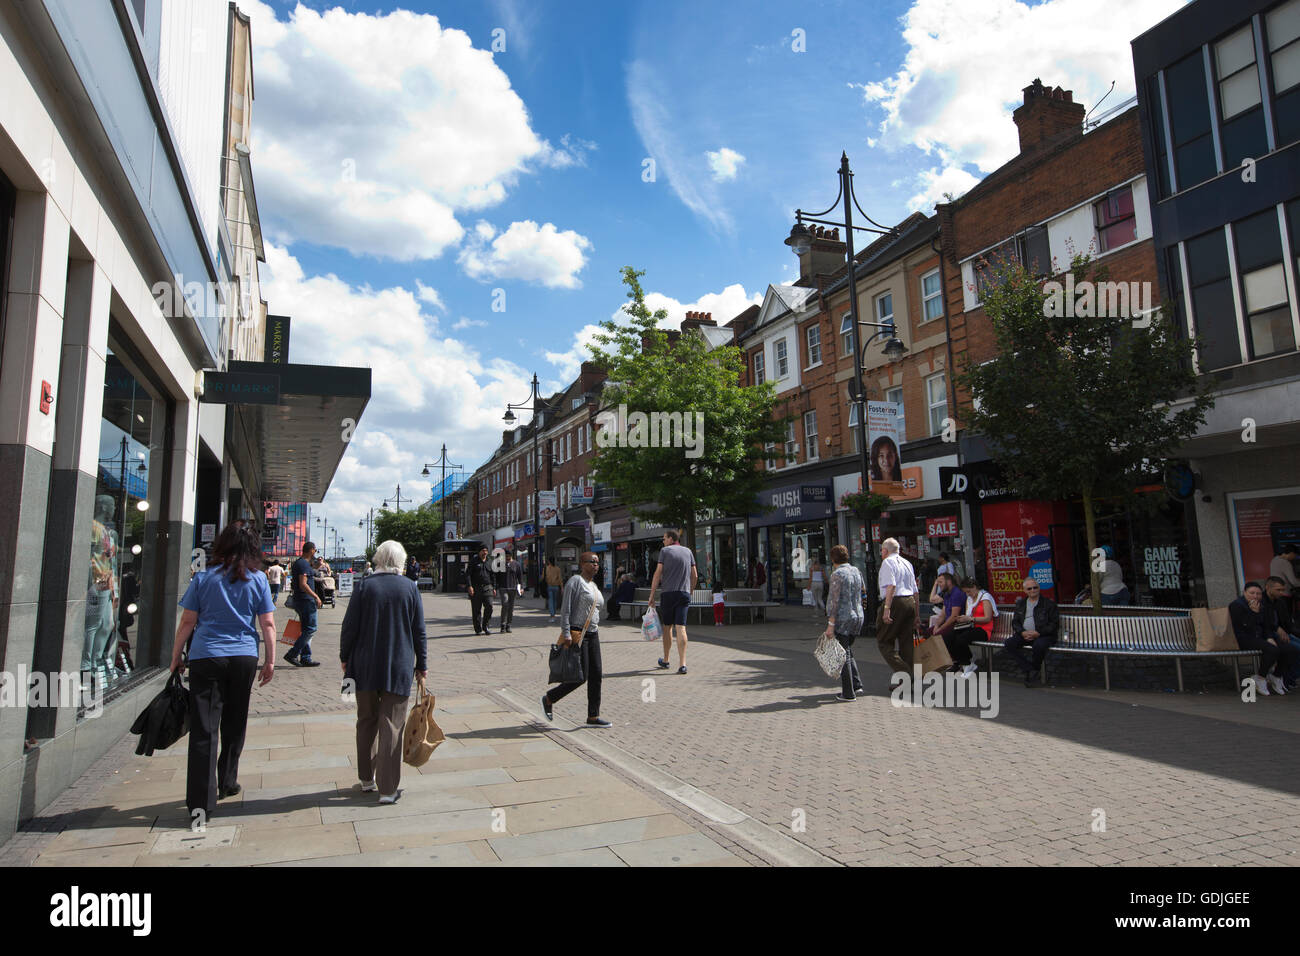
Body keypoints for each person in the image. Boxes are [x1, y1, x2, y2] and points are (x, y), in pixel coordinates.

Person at [169, 522, 275, 820]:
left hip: (206, 657)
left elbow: (187, 622)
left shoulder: (203, 578)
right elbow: (267, 623)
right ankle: (227, 780)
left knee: (204, 726)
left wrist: (176, 656)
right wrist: (269, 660)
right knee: (235, 719)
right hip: (243, 656)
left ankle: (201, 801)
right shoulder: (258, 579)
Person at [340, 539, 427, 805]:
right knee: (391, 724)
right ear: (401, 561)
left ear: (378, 558)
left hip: (363, 665)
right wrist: (422, 665)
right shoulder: (410, 588)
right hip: (398, 665)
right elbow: (418, 631)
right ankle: (387, 789)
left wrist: (345, 658)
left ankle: (366, 779)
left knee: (365, 720)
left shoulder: (364, 586)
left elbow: (349, 626)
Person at [541, 552, 611, 728]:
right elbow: (566, 609)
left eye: (597, 562)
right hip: (577, 634)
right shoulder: (575, 582)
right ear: (582, 564)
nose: (596, 565)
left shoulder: (594, 586)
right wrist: (566, 633)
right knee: (580, 676)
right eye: (592, 562)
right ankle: (550, 698)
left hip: (593, 634)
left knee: (596, 675)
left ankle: (593, 717)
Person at [1230, 581, 1300, 696]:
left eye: (1258, 594)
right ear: (1244, 593)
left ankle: (1276, 676)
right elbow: (1246, 626)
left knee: (1290, 649)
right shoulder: (1237, 605)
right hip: (1245, 638)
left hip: (1261, 636)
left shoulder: (1261, 604)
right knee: (1273, 650)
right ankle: (1261, 677)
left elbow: (1266, 624)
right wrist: (1253, 613)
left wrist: (1269, 637)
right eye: (1252, 593)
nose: (1255, 596)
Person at [648, 530, 697, 674]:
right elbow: (694, 575)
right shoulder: (688, 552)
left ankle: (666, 659)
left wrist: (652, 594)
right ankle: (682, 664)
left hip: (668, 594)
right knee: (681, 628)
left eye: (664, 538)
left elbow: (658, 573)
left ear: (670, 539)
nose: (663, 541)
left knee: (667, 627)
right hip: (683, 593)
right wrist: (691, 590)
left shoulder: (665, 551)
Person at [825, 545, 867, 701]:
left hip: (843, 618)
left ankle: (848, 693)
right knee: (847, 650)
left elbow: (834, 601)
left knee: (843, 655)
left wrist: (831, 623)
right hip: (858, 616)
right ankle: (856, 684)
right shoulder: (856, 571)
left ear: (833, 558)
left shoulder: (837, 574)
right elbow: (864, 591)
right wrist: (862, 609)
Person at [1003, 577, 1059, 687]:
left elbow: (1054, 624)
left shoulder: (1049, 604)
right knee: (1009, 643)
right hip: (1025, 634)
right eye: (1029, 589)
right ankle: (1028, 668)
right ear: (1025, 591)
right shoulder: (1021, 604)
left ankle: (1034, 669)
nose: (1033, 590)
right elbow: (1015, 622)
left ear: (1039, 588)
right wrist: (1022, 632)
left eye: (1035, 587)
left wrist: (1038, 633)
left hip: (1043, 635)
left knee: (1039, 645)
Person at [874, 537, 918, 677]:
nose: (881, 553)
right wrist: (916, 614)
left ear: (885, 550)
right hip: (909, 600)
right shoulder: (907, 563)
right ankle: (907, 680)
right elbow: (915, 590)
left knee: (884, 640)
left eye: (882, 550)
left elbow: (891, 586)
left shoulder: (888, 562)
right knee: (906, 642)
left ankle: (905, 673)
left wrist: (887, 609)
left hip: (896, 602)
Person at [943, 577, 996, 678]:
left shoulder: (985, 598)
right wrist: (963, 619)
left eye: (969, 591)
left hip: (984, 629)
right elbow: (969, 615)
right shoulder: (969, 599)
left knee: (960, 639)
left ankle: (967, 663)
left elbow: (987, 618)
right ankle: (963, 661)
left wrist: (971, 619)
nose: (968, 594)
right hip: (971, 626)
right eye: (966, 592)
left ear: (974, 587)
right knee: (948, 637)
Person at [286, 541, 322, 667]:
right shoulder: (303, 564)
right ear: (311, 550)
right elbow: (303, 584)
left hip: (301, 600)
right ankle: (293, 653)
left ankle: (306, 657)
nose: (315, 552)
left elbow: (309, 574)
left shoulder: (301, 564)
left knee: (305, 629)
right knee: (311, 628)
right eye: (315, 550)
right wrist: (316, 596)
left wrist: (317, 566)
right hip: (305, 600)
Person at [1265, 576, 1299, 688]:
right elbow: (1261, 621)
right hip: (1268, 635)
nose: (1281, 592)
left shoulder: (1280, 602)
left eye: (1282, 590)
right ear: (1268, 588)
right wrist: (1276, 628)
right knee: (1295, 649)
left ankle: (1289, 678)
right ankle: (1286, 678)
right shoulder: (1261, 602)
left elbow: (1288, 624)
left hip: (1285, 633)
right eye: (1278, 590)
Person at [467, 545, 496, 634]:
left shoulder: (490, 561)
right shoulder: (473, 561)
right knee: (476, 610)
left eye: (486, 551)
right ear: (479, 552)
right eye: (483, 551)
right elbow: (468, 574)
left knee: (489, 606)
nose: (485, 553)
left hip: (488, 588)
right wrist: (470, 586)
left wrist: (494, 587)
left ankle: (485, 626)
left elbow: (493, 575)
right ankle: (478, 629)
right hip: (476, 588)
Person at [497, 548, 523, 634]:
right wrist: (495, 587)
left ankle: (509, 625)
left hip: (513, 588)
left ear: (511, 556)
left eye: (508, 556)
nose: (507, 558)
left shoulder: (516, 564)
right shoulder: (500, 564)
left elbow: (520, 577)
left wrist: (521, 587)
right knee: (505, 604)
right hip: (503, 588)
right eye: (506, 556)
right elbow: (496, 576)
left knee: (511, 608)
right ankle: (502, 625)